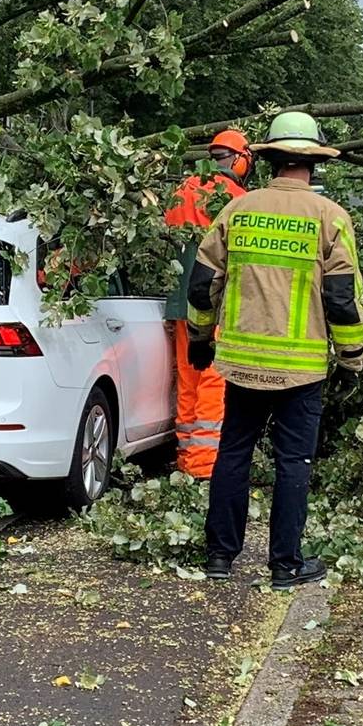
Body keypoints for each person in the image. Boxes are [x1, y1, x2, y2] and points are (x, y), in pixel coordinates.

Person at [185, 112, 363, 588]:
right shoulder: (330, 217)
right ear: (314, 163)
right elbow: (342, 299)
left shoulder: (237, 211)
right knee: (292, 464)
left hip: (241, 362)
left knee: (233, 454)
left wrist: (200, 340)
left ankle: (219, 557)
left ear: (268, 160)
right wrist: (351, 359)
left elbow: (204, 285)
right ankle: (285, 565)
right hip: (301, 369)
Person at [161, 130, 250, 476]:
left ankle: (185, 458)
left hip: (181, 302)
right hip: (217, 303)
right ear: (240, 159)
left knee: (187, 379)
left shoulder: (181, 191)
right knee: (213, 380)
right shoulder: (238, 199)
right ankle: (203, 466)